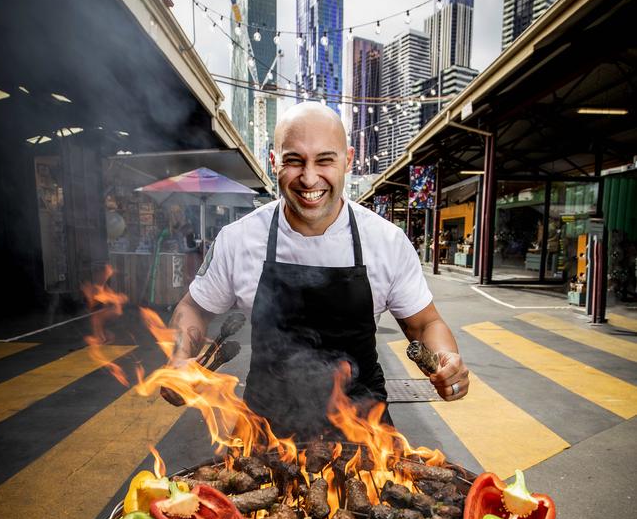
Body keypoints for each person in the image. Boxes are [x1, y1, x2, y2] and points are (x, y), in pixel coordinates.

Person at [161, 102, 469, 439]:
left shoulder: (385, 242)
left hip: (364, 429)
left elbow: (425, 323)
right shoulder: (239, 240)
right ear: (273, 160)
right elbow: (194, 307)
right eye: (294, 160)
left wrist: (445, 359)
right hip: (265, 430)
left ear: (348, 160)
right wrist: (179, 358)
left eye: (325, 160)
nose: (309, 178)